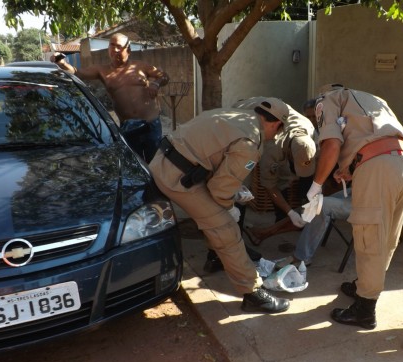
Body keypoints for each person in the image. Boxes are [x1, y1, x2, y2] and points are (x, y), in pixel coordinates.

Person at [148, 98, 292, 313]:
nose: (275, 137)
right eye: (279, 131)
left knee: (215, 215)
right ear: (275, 124)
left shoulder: (233, 115)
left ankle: (215, 257)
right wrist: (230, 205)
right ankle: (252, 294)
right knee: (226, 229)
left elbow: (211, 158)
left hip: (161, 161)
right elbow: (219, 191)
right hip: (178, 179)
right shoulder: (250, 142)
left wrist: (234, 192)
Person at [309, 83, 403, 329]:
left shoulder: (327, 99)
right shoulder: (371, 98)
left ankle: (365, 309)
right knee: (387, 235)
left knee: (369, 235)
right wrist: (352, 169)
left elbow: (331, 145)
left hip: (378, 168)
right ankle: (365, 285)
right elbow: (374, 142)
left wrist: (315, 187)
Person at [51, 33, 169, 162]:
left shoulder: (140, 66)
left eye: (119, 46)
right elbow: (77, 72)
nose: (115, 49)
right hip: (129, 127)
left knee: (157, 165)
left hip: (151, 124)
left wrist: (156, 83)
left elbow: (164, 76)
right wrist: (61, 63)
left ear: (128, 50)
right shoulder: (102, 70)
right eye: (112, 45)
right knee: (135, 166)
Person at [232, 97, 317, 244]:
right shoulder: (271, 146)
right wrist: (291, 212)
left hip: (273, 118)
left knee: (285, 178)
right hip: (240, 115)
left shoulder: (310, 133)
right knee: (241, 187)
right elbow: (269, 185)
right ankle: (236, 240)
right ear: (289, 154)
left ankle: (280, 217)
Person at [275, 189, 352, 268]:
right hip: (356, 191)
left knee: (321, 205)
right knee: (318, 201)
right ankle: (276, 229)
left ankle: (302, 257)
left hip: (363, 205)